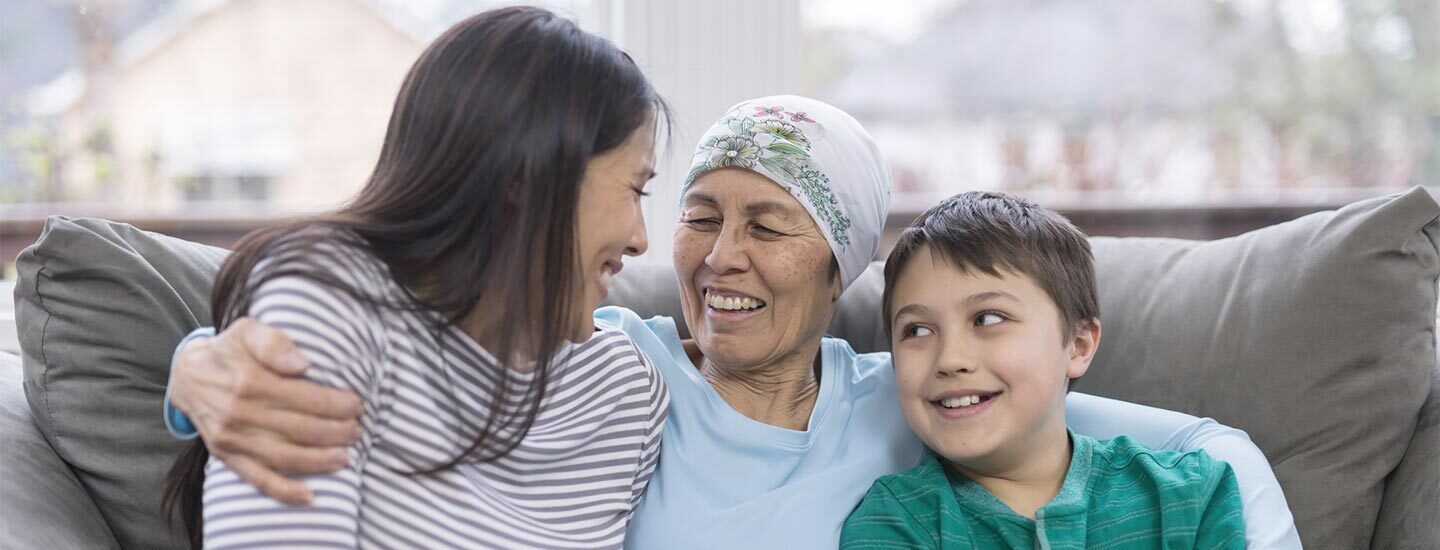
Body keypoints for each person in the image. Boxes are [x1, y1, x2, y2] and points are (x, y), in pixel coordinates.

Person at [164, 96, 1303, 548]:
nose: (721, 255)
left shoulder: (912, 393)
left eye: (771, 223)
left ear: (843, 261)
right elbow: (401, 361)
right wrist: (203, 366)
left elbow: (1190, 445)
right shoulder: (614, 361)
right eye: (699, 215)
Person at [160, 7, 670, 549]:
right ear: (529, 177)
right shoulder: (332, 307)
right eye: (635, 189)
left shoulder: (627, 390)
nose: (641, 240)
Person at [840, 191, 1245, 548]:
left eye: (988, 319)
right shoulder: (892, 523)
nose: (950, 359)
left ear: (1078, 345)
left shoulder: (1188, 496)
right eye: (918, 329)